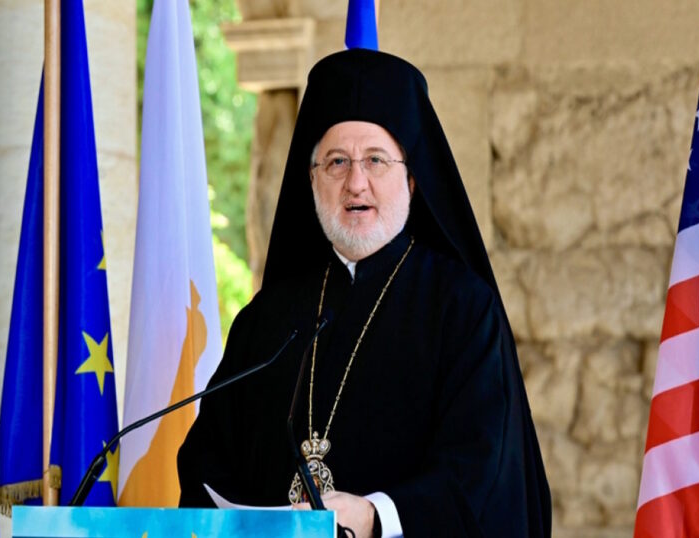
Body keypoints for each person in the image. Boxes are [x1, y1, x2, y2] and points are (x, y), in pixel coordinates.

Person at [178, 48, 551, 537]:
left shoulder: (462, 309)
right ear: (311, 180)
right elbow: (206, 465)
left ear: (411, 179)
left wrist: (377, 516)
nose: (356, 183)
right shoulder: (265, 319)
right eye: (336, 162)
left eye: (375, 160)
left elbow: (482, 471)